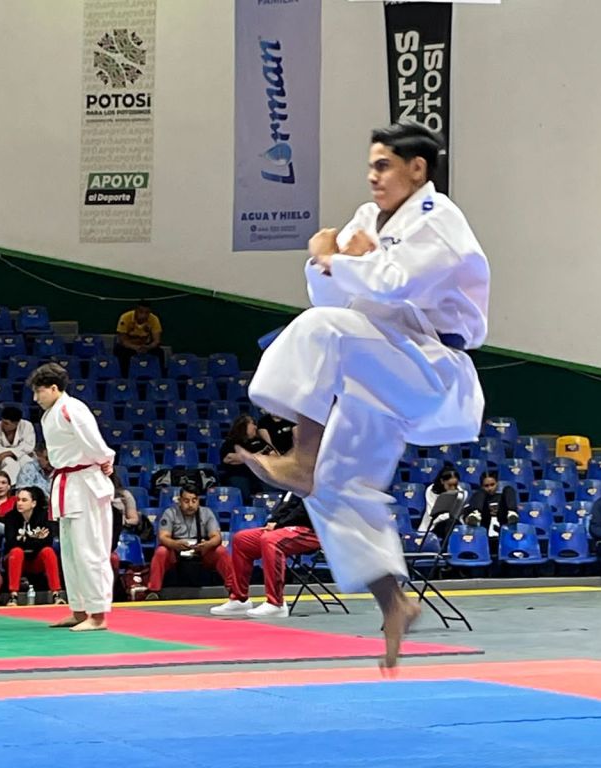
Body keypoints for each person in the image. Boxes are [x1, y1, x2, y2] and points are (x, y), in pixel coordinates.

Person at [238, 121, 489, 668]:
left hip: (430, 368)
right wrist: (324, 261)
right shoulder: (367, 218)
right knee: (335, 486)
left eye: (383, 165)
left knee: (320, 329)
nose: (372, 176)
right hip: (378, 367)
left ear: (416, 169)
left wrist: (341, 258)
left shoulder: (440, 221)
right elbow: (332, 289)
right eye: (371, 165)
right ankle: (394, 602)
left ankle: (300, 456)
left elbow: (396, 284)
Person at [28, 363, 115, 632]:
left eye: (39, 392)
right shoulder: (50, 414)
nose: (36, 398)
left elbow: (95, 442)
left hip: (85, 483)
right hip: (65, 483)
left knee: (90, 551)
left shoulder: (72, 408)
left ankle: (98, 614)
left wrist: (105, 460)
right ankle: (78, 610)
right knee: (71, 553)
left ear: (54, 388)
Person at [211, 492, 320, 618]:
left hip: (315, 531)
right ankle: (239, 600)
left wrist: (279, 525)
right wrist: (272, 522)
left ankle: (276, 604)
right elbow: (285, 507)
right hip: (287, 527)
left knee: (270, 540)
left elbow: (304, 512)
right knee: (241, 539)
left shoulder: (319, 484)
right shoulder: (296, 486)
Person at [144, 483, 237, 601]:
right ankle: (153, 591)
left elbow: (216, 537)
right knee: (161, 551)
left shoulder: (207, 513)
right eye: (186, 501)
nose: (190, 505)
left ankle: (233, 589)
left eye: (194, 500)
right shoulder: (170, 513)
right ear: (179, 501)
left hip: (201, 550)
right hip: (176, 550)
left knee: (221, 551)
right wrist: (175, 544)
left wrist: (207, 544)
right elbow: (163, 537)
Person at [3, 486, 65, 606]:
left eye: (24, 500)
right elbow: (11, 543)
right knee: (16, 552)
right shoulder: (10, 517)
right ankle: (13, 596)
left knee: (48, 551)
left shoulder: (44, 516)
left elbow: (47, 542)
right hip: (15, 560)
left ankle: (56, 594)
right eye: (18, 500)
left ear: (33, 503)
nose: (19, 503)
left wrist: (23, 540)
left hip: (36, 560)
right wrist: (35, 539)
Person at [219, 414, 271, 502]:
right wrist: (257, 456)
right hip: (239, 475)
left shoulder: (259, 441)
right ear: (243, 426)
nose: (255, 427)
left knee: (271, 487)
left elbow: (271, 455)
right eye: (252, 424)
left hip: (259, 475)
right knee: (242, 489)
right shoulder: (231, 442)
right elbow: (229, 458)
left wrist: (243, 458)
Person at [461, 470, 519, 537]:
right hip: (484, 523)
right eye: (486, 486)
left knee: (508, 489)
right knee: (480, 493)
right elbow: (465, 515)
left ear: (497, 483)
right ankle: (476, 514)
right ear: (482, 486)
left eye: (492, 485)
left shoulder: (502, 497)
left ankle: (511, 513)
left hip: (503, 521)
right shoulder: (477, 498)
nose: (490, 488)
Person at [0, 405, 36, 485]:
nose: (3, 425)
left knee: (27, 462)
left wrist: (9, 453)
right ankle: (10, 487)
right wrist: (12, 453)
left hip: (22, 455)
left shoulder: (27, 426)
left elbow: (28, 446)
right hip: (2, 458)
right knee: (11, 464)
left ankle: (27, 487)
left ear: (16, 423)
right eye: (2, 421)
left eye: (7, 423)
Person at [113, 302, 164, 374]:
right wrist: (135, 347)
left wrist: (148, 347)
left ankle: (159, 375)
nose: (144, 315)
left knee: (159, 352)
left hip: (145, 346)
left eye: (147, 313)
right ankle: (124, 376)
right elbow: (123, 341)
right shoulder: (125, 317)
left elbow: (157, 341)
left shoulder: (154, 319)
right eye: (141, 312)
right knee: (119, 350)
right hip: (129, 346)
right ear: (136, 311)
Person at [416, 466, 462, 538]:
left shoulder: (459, 490)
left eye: (455, 485)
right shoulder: (431, 490)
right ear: (442, 481)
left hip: (453, 521)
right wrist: (450, 515)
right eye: (450, 485)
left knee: (455, 525)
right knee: (450, 524)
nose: (453, 488)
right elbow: (432, 514)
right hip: (435, 524)